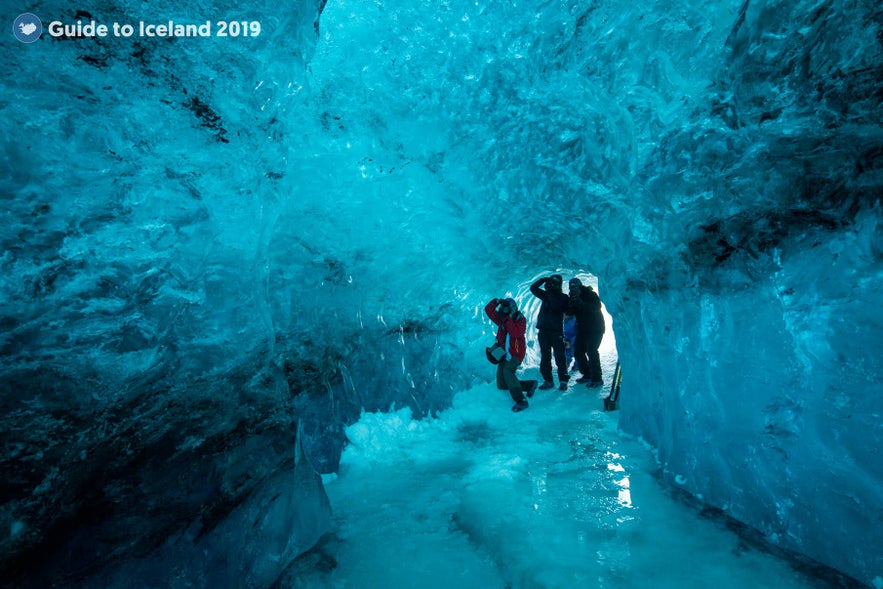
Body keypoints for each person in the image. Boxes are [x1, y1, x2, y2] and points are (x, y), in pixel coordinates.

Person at [485, 297, 538, 411]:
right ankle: (529, 385)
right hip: (504, 355)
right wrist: (497, 301)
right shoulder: (502, 320)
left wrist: (508, 319)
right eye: (503, 308)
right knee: (502, 384)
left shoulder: (520, 319)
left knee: (507, 371)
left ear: (512, 308)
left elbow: (515, 333)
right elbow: (488, 310)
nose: (504, 310)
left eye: (506, 308)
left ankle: (521, 400)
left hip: (515, 354)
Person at [529, 274, 570, 391]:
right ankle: (548, 380)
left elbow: (557, 307)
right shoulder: (546, 295)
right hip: (543, 331)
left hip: (556, 332)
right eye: (552, 282)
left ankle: (563, 381)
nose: (552, 284)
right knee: (545, 357)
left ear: (559, 284)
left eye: (554, 282)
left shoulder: (563, 297)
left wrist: (551, 292)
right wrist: (543, 280)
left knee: (559, 357)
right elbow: (533, 288)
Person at [568, 278, 606, 387]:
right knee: (578, 351)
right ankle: (587, 374)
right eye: (571, 287)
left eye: (575, 286)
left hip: (595, 329)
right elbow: (570, 312)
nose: (573, 289)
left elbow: (597, 307)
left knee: (592, 351)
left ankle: (597, 378)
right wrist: (571, 304)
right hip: (582, 330)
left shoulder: (590, 294)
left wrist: (581, 303)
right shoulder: (573, 296)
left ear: (580, 286)